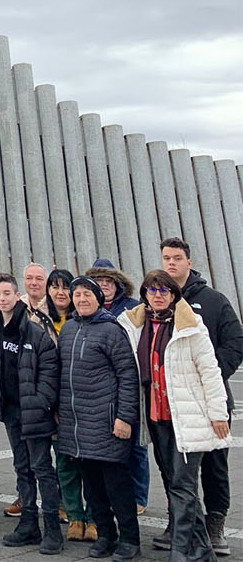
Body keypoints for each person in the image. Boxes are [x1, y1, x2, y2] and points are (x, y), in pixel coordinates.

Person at [119, 269, 229, 562]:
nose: (157, 296)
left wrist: (218, 414)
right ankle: (203, 551)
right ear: (144, 294)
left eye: (163, 291)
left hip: (187, 417)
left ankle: (180, 551)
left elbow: (210, 371)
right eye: (152, 291)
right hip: (157, 418)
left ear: (174, 295)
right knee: (174, 483)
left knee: (182, 485)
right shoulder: (137, 325)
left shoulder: (191, 326)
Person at [160, 237, 242, 557]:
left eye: (177, 258)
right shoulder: (158, 299)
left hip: (211, 402)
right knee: (175, 469)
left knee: (214, 467)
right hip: (175, 407)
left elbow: (235, 341)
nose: (171, 263)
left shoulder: (213, 301)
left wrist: (211, 374)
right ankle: (178, 521)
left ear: (189, 262)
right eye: (166, 257)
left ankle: (215, 524)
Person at [56, 276, 140, 560]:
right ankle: (106, 535)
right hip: (77, 425)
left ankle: (130, 539)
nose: (81, 299)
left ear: (98, 298)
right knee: (92, 487)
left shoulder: (111, 330)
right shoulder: (68, 329)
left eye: (86, 294)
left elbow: (128, 376)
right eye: (76, 294)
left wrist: (125, 417)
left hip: (106, 422)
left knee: (117, 485)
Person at [0, 272, 62, 553]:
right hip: (11, 412)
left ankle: (53, 528)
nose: (2, 299)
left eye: (7, 293)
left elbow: (50, 369)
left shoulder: (34, 330)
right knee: (21, 468)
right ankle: (29, 523)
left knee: (42, 468)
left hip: (34, 412)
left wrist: (41, 402)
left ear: (18, 296)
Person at [87, 258, 150, 514]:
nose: (104, 285)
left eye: (108, 281)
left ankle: (138, 496)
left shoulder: (133, 308)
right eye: (99, 282)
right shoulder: (85, 308)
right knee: (107, 448)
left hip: (130, 384)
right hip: (101, 390)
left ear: (117, 283)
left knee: (136, 447)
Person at [45, 268, 95, 543]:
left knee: (89, 464)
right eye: (55, 287)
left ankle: (94, 515)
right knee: (64, 462)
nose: (61, 292)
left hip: (85, 403)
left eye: (67, 288)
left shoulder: (82, 321)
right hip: (57, 402)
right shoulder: (40, 320)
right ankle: (75, 515)